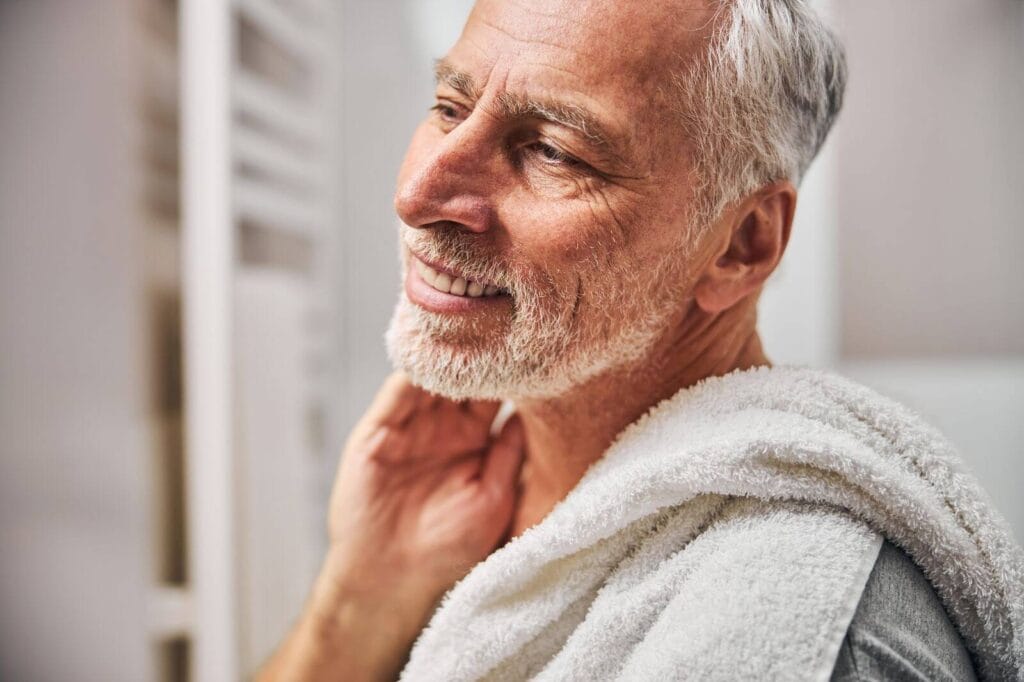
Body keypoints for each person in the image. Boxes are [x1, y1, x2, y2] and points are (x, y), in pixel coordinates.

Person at [259, 0, 1024, 680]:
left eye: (552, 150)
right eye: (450, 107)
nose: (418, 193)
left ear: (742, 245)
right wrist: (357, 604)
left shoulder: (807, 631)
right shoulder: (461, 522)